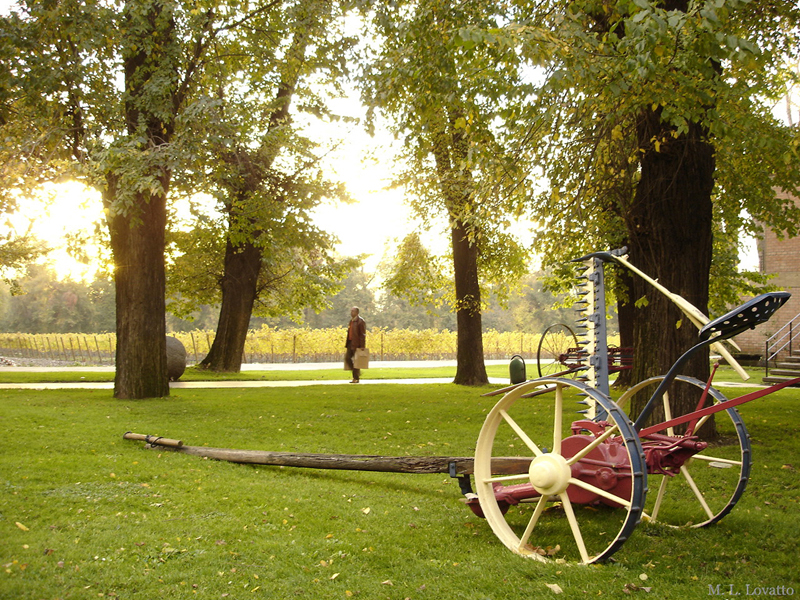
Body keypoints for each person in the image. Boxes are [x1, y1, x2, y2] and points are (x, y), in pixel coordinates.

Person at [344, 306, 366, 383]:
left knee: (357, 362)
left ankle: (356, 378)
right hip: (350, 343)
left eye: (353, 311)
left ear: (357, 312)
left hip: (357, 344)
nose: (351, 312)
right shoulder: (351, 321)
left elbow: (362, 334)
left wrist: (362, 346)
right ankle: (356, 373)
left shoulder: (360, 321)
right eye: (351, 311)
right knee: (347, 358)